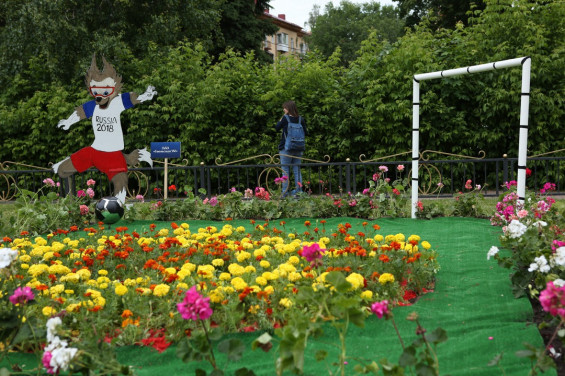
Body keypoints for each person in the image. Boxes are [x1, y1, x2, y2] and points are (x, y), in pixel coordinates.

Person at [275, 100, 308, 198]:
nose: (283, 109)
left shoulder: (285, 118)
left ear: (288, 109)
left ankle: (284, 193)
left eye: (284, 108)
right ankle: (299, 192)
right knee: (297, 169)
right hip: (298, 148)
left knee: (285, 170)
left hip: (286, 148)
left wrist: (281, 118)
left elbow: (277, 128)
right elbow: (306, 132)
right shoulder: (300, 119)